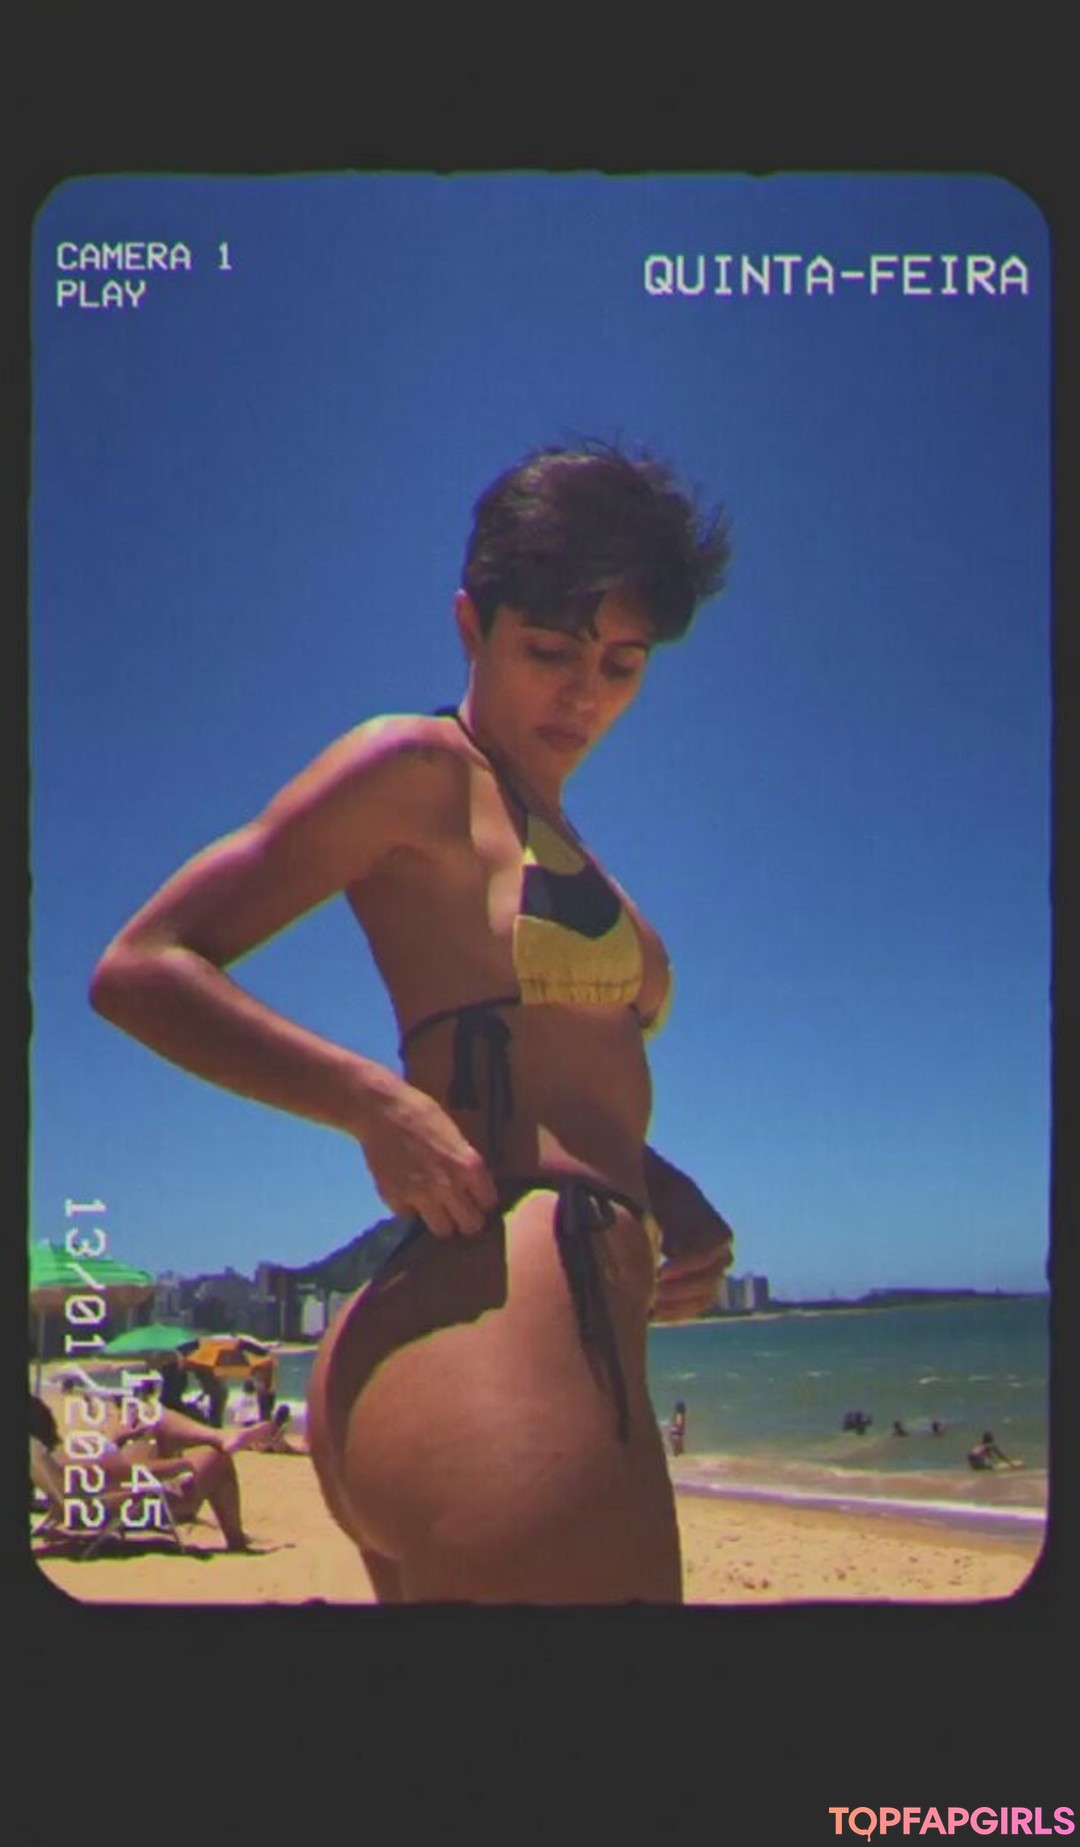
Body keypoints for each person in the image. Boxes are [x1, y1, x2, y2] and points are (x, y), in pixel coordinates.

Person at [88, 439, 735, 1603]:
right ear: (470, 625)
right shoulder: (423, 768)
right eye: (549, 651)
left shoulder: (551, 831)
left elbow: (553, 1081)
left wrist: (660, 1187)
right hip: (512, 1329)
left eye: (623, 663)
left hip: (503, 1322)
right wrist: (369, 1102)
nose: (584, 694)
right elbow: (140, 968)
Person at [29, 1391, 256, 1551]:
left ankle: (220, 1436)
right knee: (217, 1458)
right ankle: (236, 1540)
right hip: (138, 1505)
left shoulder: (40, 1456)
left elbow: (105, 1477)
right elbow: (135, 1476)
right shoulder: (73, 1460)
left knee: (148, 1422)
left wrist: (115, 1441)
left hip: (108, 1499)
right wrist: (182, 1464)